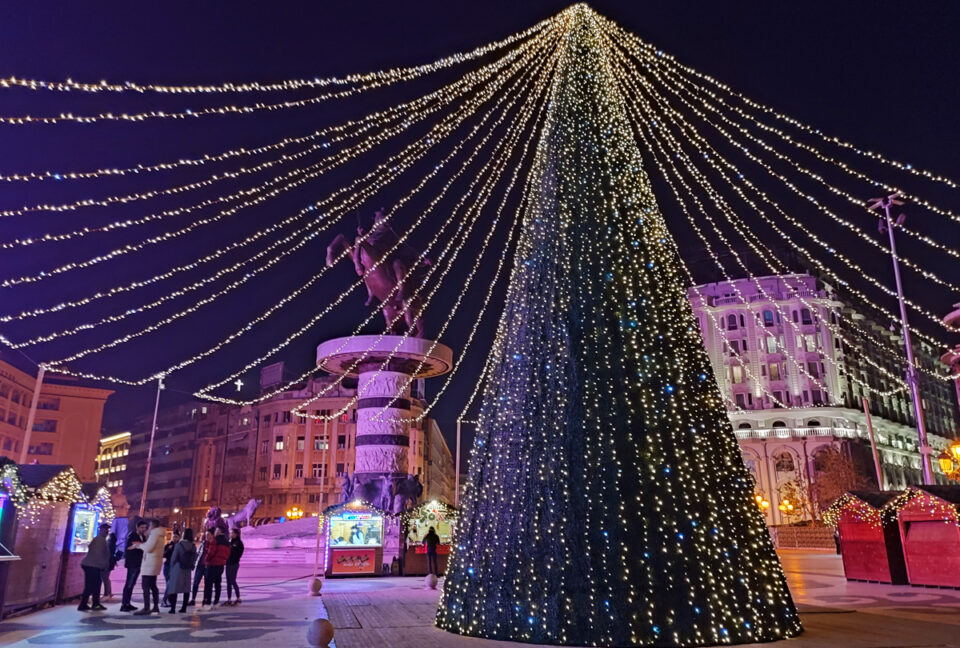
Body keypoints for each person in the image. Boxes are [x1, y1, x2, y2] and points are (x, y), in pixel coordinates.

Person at [134, 519, 166, 615]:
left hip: (150, 564)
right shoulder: (160, 534)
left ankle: (146, 607)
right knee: (152, 585)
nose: (148, 528)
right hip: (155, 563)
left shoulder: (155, 534)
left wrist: (139, 545)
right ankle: (155, 606)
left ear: (152, 525)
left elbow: (149, 548)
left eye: (149, 525)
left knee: (146, 586)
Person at [78, 523, 111, 611]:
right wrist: (103, 565)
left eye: (108, 530)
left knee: (92, 585)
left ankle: (86, 604)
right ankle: (93, 604)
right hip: (92, 565)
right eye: (105, 529)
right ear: (101, 530)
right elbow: (98, 555)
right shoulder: (100, 540)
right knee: (94, 584)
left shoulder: (100, 539)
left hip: (91, 565)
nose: (107, 531)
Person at [167, 528, 197, 614]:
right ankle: (184, 608)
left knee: (174, 588)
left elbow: (173, 558)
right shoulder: (193, 546)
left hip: (178, 568)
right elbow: (194, 557)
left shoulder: (179, 545)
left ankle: (173, 608)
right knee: (186, 588)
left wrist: (171, 568)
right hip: (187, 569)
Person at [120, 520, 148, 612]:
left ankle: (128, 603)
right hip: (132, 563)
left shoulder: (143, 537)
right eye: (142, 527)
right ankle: (124, 604)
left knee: (132, 584)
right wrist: (138, 545)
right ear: (137, 527)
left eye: (145, 528)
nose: (143, 529)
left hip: (139, 563)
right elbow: (128, 547)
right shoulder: (132, 535)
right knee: (129, 583)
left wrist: (140, 545)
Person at [200, 528, 230, 609]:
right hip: (221, 565)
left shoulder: (215, 540)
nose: (215, 532)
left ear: (220, 531)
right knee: (217, 584)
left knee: (209, 584)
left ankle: (208, 603)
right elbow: (228, 554)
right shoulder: (227, 542)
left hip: (212, 564)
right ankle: (216, 602)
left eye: (216, 530)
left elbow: (211, 552)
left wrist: (206, 560)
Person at [224, 528, 244, 605]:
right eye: (230, 533)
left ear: (236, 534)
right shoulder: (230, 542)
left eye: (232, 533)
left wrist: (233, 559)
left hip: (234, 564)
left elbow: (237, 554)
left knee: (232, 580)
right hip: (228, 563)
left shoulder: (239, 543)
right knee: (228, 581)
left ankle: (238, 597)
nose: (231, 534)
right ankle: (229, 599)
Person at [161, 531, 180, 606]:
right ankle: (164, 600)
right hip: (167, 566)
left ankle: (169, 600)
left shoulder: (179, 546)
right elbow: (164, 555)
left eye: (176, 537)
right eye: (173, 536)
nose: (174, 538)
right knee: (169, 584)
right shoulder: (168, 545)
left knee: (171, 585)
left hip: (176, 567)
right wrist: (169, 549)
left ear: (179, 537)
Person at [190, 530, 206, 606]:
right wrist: (194, 563)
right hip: (200, 565)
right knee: (196, 582)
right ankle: (193, 598)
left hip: (207, 566)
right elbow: (197, 554)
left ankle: (205, 599)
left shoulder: (211, 545)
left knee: (207, 584)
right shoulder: (201, 544)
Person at [102, 531, 118, 600]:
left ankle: (106, 594)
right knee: (106, 578)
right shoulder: (113, 545)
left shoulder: (108, 545)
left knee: (105, 577)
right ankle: (109, 593)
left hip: (106, 563)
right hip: (110, 563)